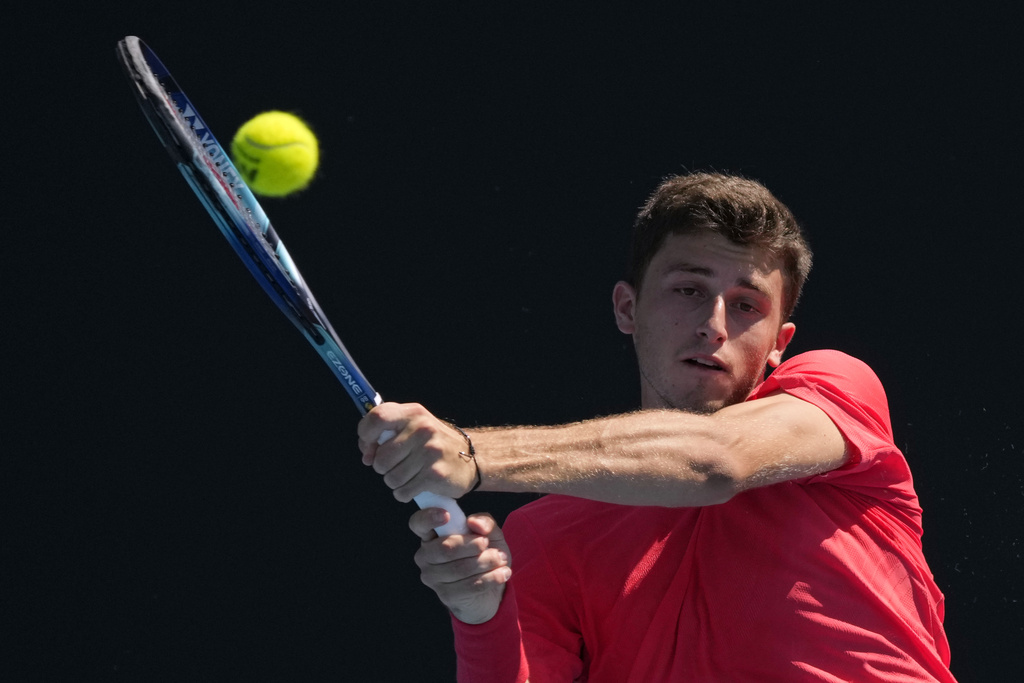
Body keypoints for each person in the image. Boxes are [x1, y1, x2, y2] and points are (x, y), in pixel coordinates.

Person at [357, 172, 956, 682]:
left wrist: (473, 451)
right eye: (689, 290)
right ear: (627, 308)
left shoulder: (838, 389)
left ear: (781, 343)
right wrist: (479, 614)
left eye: (747, 305)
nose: (715, 324)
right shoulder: (545, 537)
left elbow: (716, 461)